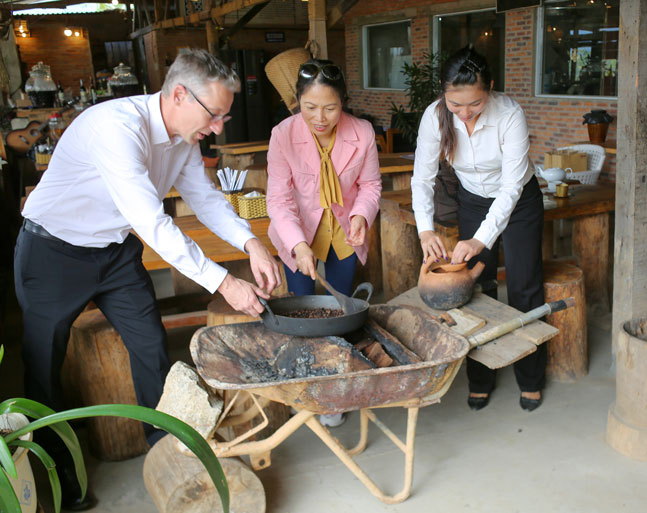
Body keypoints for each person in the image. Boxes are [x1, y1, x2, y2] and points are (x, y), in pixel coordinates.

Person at [14, 48, 281, 510]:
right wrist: (225, 284)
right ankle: (60, 480)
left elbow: (206, 199)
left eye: (224, 116)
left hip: (114, 252)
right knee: (44, 368)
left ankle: (168, 449)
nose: (219, 127)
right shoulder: (116, 129)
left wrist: (251, 242)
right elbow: (154, 224)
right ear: (179, 93)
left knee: (150, 347)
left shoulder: (184, 138)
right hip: (52, 252)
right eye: (214, 114)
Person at [412, 46, 546, 412]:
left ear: (490, 89)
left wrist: (480, 239)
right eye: (456, 105)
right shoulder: (434, 116)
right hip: (471, 200)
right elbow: (422, 178)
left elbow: (511, 189)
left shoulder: (509, 114)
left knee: (524, 287)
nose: (466, 113)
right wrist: (425, 230)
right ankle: (481, 377)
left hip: (519, 204)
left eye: (475, 103)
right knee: (475, 288)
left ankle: (531, 378)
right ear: (444, 93)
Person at [266, 59, 382, 425]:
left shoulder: (362, 133)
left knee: (338, 314)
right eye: (310, 107)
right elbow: (279, 200)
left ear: (343, 102)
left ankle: (332, 393)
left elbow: (371, 186)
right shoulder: (283, 135)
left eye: (330, 108)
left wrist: (362, 215)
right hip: (298, 235)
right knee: (301, 315)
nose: (320, 117)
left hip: (344, 235)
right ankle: (306, 388)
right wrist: (298, 245)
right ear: (297, 101)